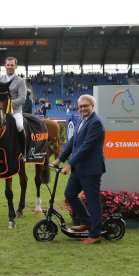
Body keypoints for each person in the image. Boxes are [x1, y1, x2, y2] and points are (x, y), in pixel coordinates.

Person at [52, 94, 106, 245]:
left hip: (91, 169)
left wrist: (69, 164)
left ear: (92, 106)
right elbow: (72, 143)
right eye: (81, 106)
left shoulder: (96, 123)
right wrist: (59, 159)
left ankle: (95, 234)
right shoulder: (82, 120)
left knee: (93, 201)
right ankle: (87, 222)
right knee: (70, 194)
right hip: (79, 168)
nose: (83, 108)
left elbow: (86, 148)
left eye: (85, 106)